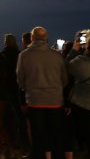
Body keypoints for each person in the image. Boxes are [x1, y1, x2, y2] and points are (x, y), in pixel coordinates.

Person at [15, 27, 71, 159]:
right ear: (46, 38)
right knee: (56, 135)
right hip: (55, 101)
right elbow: (64, 79)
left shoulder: (24, 55)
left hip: (35, 101)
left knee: (39, 137)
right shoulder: (56, 55)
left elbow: (20, 80)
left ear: (32, 38)